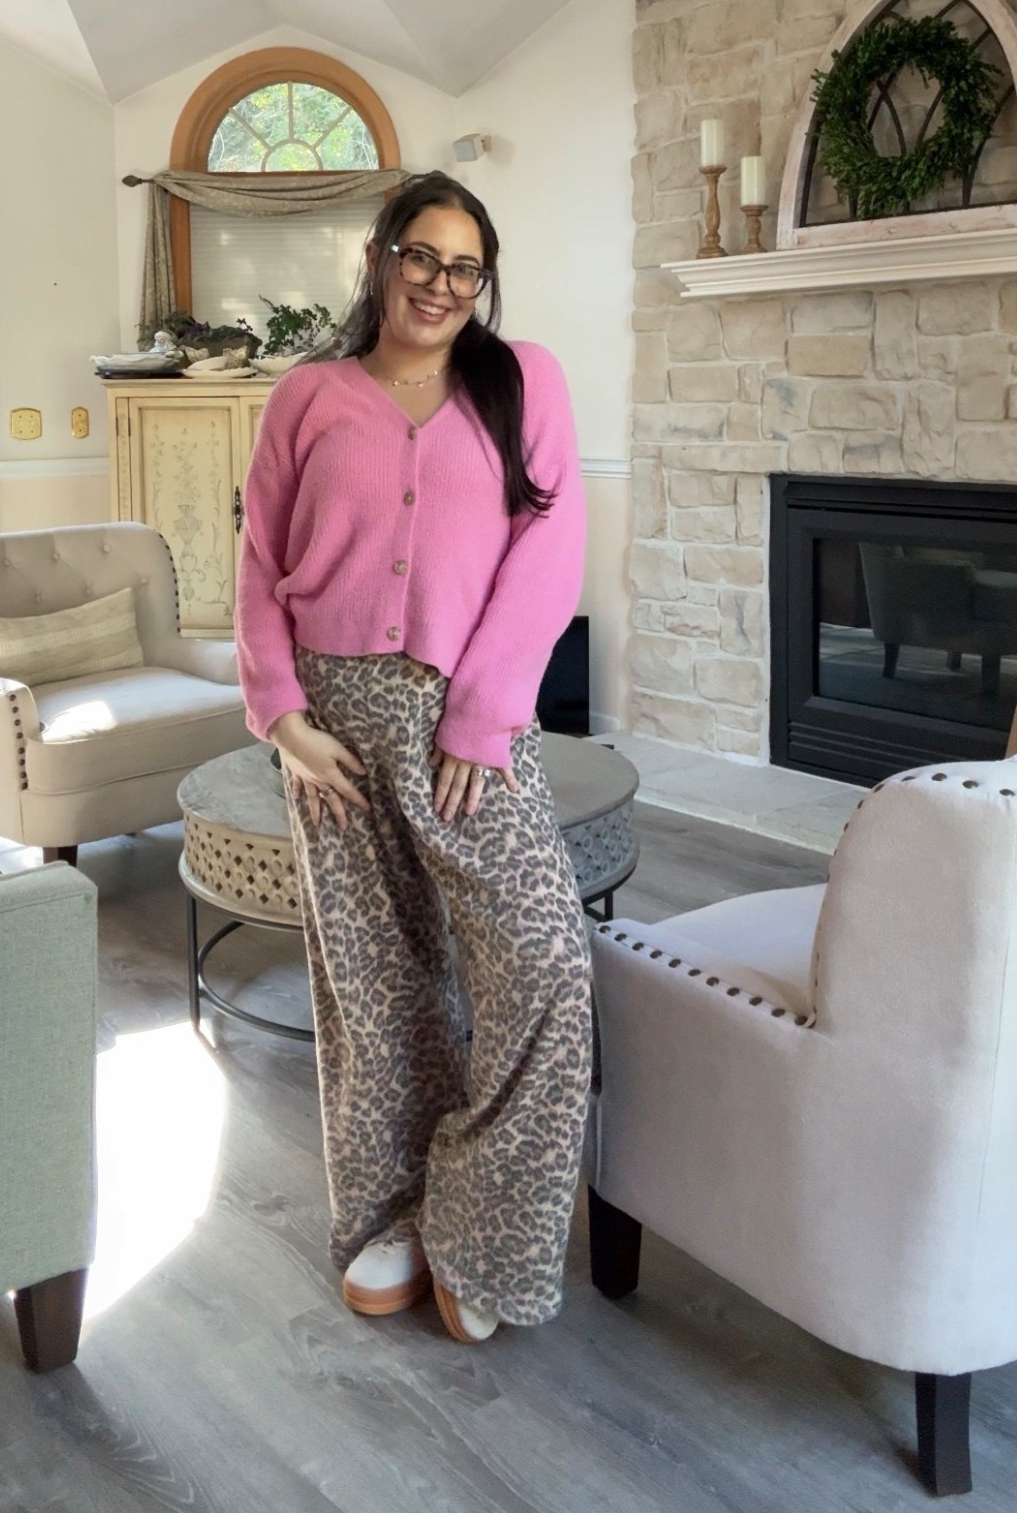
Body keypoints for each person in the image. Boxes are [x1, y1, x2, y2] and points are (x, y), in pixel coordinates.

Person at [234, 171, 593, 1345]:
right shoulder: (307, 394)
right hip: (329, 729)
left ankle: (478, 1218)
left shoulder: (520, 378)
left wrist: (482, 713)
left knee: (542, 964)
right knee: (374, 989)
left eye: (465, 266)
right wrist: (281, 716)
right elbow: (256, 557)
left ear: (483, 281)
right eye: (420, 256)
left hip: (464, 726)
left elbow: (553, 545)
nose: (441, 283)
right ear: (380, 258)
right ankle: (386, 1211)